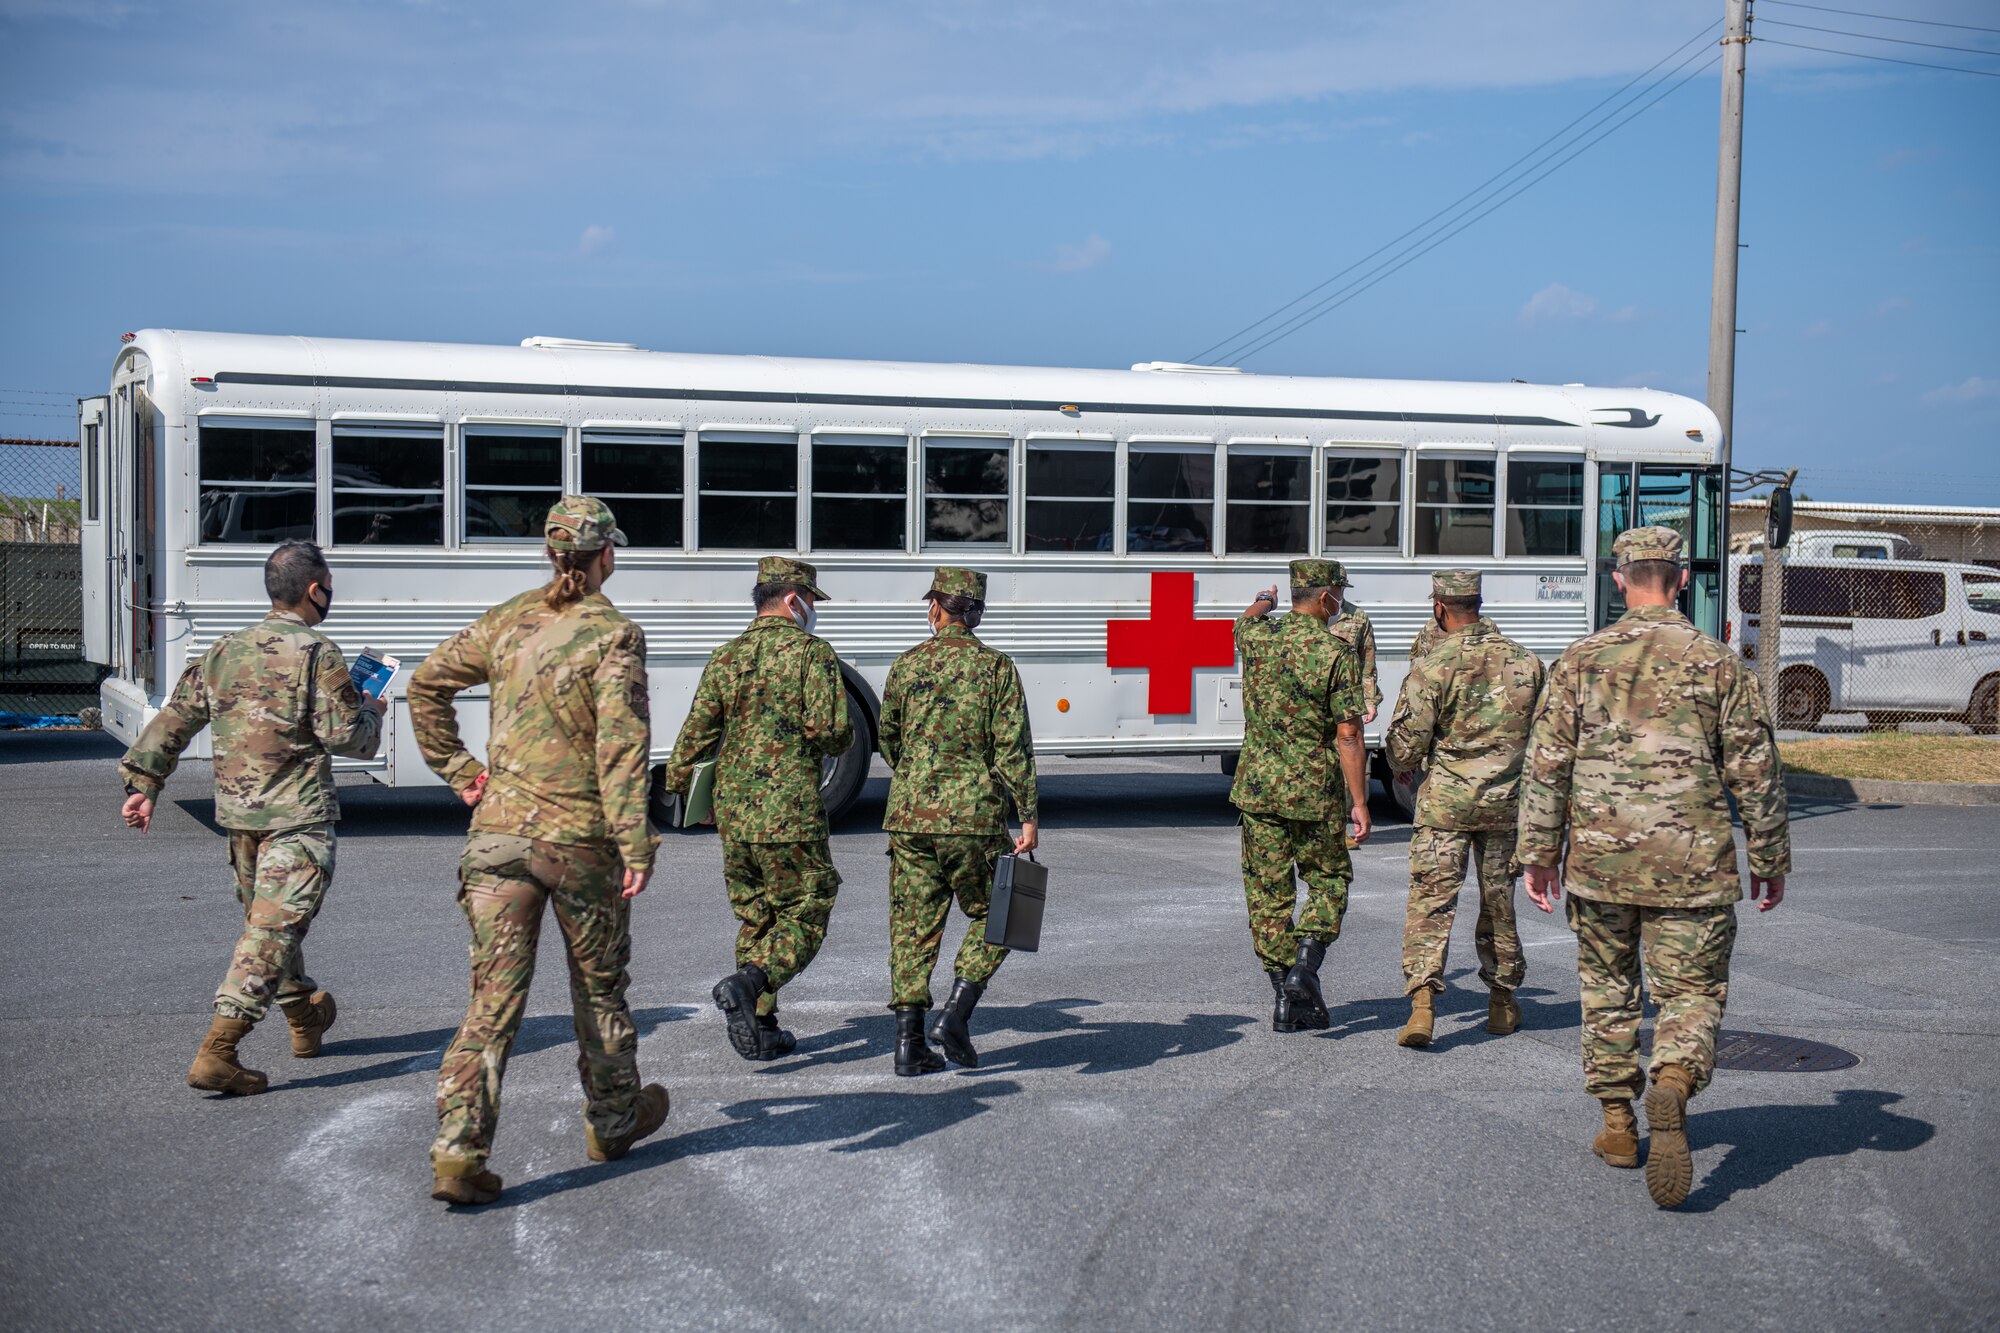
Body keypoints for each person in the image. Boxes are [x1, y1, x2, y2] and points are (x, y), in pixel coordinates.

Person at [1519, 526, 1790, 1210]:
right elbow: (1754, 768)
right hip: (1692, 864)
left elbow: (1547, 764)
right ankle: (1672, 1076)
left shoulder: (1580, 659)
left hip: (1600, 863)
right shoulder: (1719, 661)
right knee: (1692, 993)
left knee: (1608, 990)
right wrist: (1769, 854)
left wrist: (1538, 854)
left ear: (1620, 578)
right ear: (1678, 577)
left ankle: (1617, 1122)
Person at [408, 496, 668, 1207]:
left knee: (490, 1003)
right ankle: (613, 1120)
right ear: (605, 554)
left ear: (552, 556)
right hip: (578, 841)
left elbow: (425, 684)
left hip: (496, 839)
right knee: (599, 987)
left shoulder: (508, 619)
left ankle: (459, 1152)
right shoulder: (615, 634)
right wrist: (634, 839)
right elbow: (620, 747)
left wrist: (463, 773)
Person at [118, 540, 384, 1097]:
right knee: (271, 931)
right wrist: (373, 710)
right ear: (315, 590)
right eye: (329, 587)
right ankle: (219, 1051)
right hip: (299, 818)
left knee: (271, 925)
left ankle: (305, 1018)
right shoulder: (318, 652)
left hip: (240, 821)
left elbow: (176, 717)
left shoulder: (223, 650)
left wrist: (144, 784)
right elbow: (348, 738)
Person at [664, 556, 854, 1062]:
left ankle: (762, 1023)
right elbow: (835, 731)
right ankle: (751, 984)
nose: (814, 610)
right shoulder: (812, 655)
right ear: (794, 600)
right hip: (789, 808)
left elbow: (694, 737)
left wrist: (686, 794)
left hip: (733, 811)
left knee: (757, 916)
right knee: (808, 908)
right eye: (812, 601)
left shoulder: (726, 655)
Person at [877, 567, 1039, 1075]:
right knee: (1004, 913)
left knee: (912, 929)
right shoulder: (996, 667)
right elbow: (1013, 749)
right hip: (973, 815)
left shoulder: (905, 665)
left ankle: (908, 1044)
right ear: (976, 614)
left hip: (908, 815)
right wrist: (1028, 816)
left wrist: (917, 778)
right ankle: (956, 1014)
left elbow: (889, 739)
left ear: (936, 609)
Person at [1383, 570, 1544, 1048]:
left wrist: (1401, 765)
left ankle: (1423, 1006)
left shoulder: (1433, 665)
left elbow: (1405, 746)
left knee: (1431, 901)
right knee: (1499, 903)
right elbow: (1549, 741)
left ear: (1439, 607)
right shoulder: (1528, 663)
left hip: (1445, 807)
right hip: (1506, 806)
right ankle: (1501, 1002)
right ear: (1478, 602)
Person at [1230, 559, 1373, 1033]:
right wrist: (1360, 801)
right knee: (1329, 881)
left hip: (1258, 789)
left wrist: (1264, 601)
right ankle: (1304, 971)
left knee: (1267, 893)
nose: (1340, 603)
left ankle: (1284, 997)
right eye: (1338, 595)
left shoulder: (1258, 639)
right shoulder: (1335, 653)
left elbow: (1244, 621)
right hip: (1314, 793)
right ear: (1327, 598)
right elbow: (1349, 734)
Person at [1326, 575, 1381, 725]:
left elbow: (1367, 662)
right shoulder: (1308, 616)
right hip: (1313, 702)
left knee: (1349, 743)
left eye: (1340, 588)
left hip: (1348, 700)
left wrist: (1370, 700)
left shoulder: (1357, 616)